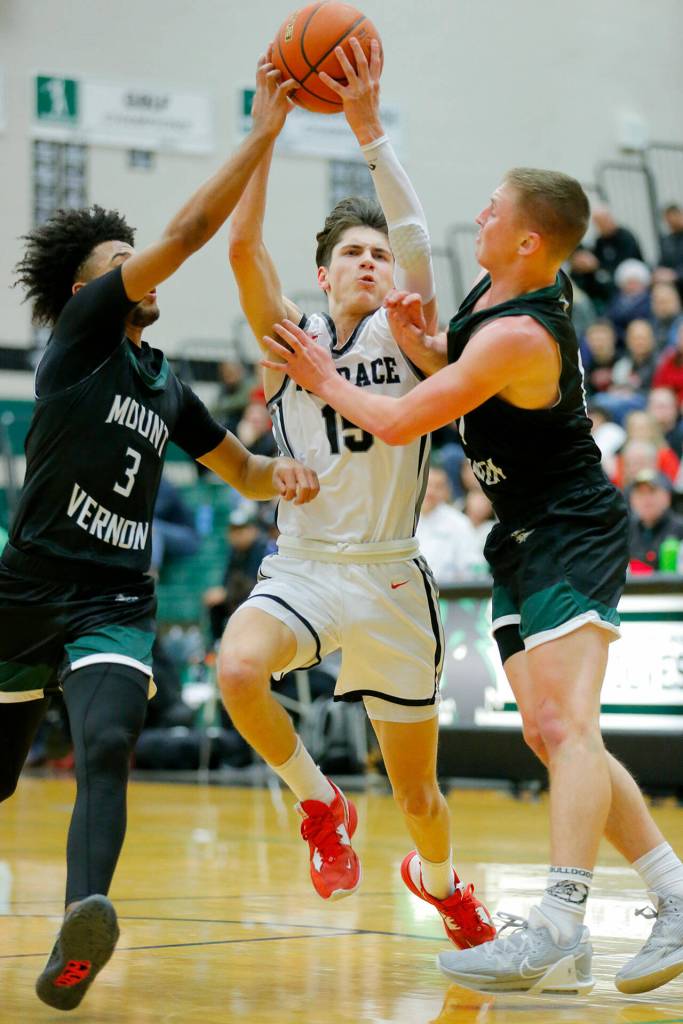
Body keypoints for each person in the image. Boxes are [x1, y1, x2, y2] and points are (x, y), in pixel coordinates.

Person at [263, 168, 683, 995]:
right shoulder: (495, 293)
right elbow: (459, 374)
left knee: (565, 729)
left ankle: (558, 921)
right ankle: (671, 892)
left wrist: (320, 377)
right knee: (551, 734)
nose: (479, 213)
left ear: (528, 239)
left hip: (570, 527)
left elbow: (394, 418)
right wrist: (426, 347)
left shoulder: (526, 327)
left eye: (494, 209)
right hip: (518, 538)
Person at [1, 58, 319, 1012]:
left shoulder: (164, 381)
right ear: (84, 289)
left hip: (112, 601)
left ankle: (79, 923)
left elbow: (245, 472)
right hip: (28, 592)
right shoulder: (81, 340)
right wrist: (264, 132)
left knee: (107, 743)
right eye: (115, 262)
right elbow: (187, 233)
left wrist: (293, 472)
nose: (135, 268)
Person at [218, 37, 494, 949]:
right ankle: (319, 805)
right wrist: (264, 135)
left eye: (379, 251)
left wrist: (371, 138)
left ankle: (442, 884)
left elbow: (416, 238)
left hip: (388, 577)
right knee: (236, 670)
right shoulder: (288, 341)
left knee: (417, 793)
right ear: (326, 270)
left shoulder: (408, 329)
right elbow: (243, 245)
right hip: (303, 566)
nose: (373, 261)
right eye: (354, 253)